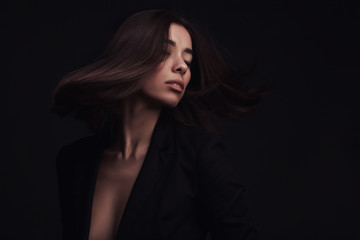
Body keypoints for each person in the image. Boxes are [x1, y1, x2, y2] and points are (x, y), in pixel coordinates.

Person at [52, 9, 267, 240]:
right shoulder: (74, 161)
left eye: (188, 60)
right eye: (166, 52)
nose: (182, 67)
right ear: (130, 56)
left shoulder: (198, 154)